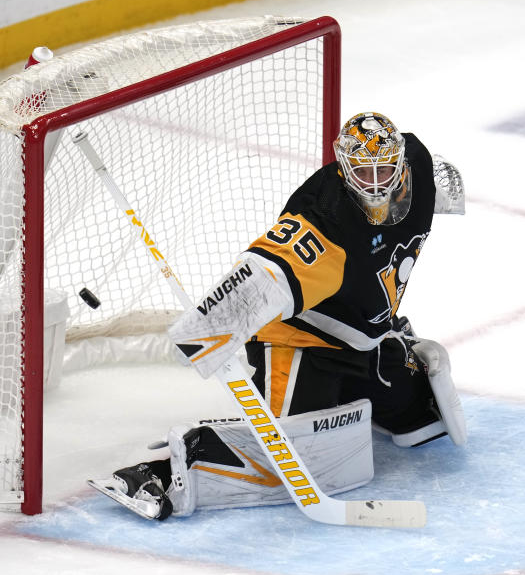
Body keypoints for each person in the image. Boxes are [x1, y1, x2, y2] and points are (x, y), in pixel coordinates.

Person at [89, 111, 467, 520]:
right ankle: (174, 465)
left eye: (384, 169)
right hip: (298, 343)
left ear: (402, 162)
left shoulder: (421, 171)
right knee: (297, 464)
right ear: (343, 165)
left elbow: (442, 184)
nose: (374, 183)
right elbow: (263, 275)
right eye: (362, 171)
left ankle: (374, 366)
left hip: (365, 338)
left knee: (425, 422)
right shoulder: (323, 221)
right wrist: (207, 329)